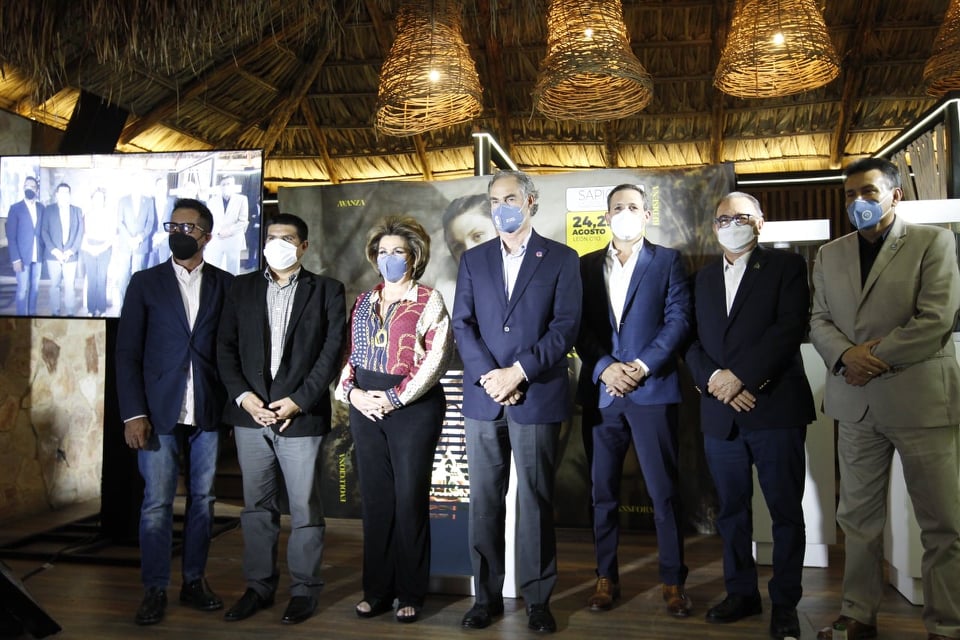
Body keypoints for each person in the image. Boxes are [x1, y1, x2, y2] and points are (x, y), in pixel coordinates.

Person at [810, 157, 960, 640]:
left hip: (921, 403)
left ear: (895, 195)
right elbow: (819, 320)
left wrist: (868, 358)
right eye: (850, 194)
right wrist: (845, 356)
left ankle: (947, 623)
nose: (858, 201)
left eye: (869, 192)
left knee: (942, 521)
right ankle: (858, 614)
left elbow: (936, 318)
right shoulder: (829, 254)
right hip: (855, 406)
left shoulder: (933, 242)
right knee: (857, 519)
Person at [451, 170, 581, 634]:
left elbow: (565, 327)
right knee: (484, 502)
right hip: (483, 398)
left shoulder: (562, 259)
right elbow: (463, 324)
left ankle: (538, 600)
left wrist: (518, 372)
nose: (501, 207)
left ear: (530, 202)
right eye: (494, 200)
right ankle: (484, 598)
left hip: (536, 395)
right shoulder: (474, 260)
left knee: (535, 501)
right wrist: (492, 377)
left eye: (509, 198)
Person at [685, 192, 815, 640]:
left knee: (784, 511)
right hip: (720, 415)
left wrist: (741, 378)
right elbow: (690, 341)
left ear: (761, 222)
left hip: (774, 407)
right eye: (723, 218)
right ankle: (741, 593)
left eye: (741, 217)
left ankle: (785, 603)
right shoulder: (700, 279)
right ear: (713, 226)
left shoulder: (786, 267)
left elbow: (790, 327)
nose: (732, 224)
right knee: (731, 511)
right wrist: (715, 381)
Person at [217, 213, 346, 625]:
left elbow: (331, 353)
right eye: (271, 237)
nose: (277, 244)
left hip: (300, 418)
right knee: (256, 508)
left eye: (287, 238)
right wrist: (245, 399)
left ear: (303, 246)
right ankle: (258, 586)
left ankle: (304, 589)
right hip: (250, 417)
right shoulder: (241, 288)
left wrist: (299, 402)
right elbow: (225, 348)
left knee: (304, 508)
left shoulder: (327, 290)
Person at [575, 184, 693, 617]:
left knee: (664, 493)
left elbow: (678, 320)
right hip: (602, 394)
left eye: (633, 207)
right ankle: (605, 577)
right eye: (617, 207)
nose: (625, 213)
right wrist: (606, 367)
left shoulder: (668, 261)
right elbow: (578, 326)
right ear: (606, 217)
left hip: (652, 390)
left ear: (646, 215)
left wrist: (641, 367)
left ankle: (673, 581)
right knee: (602, 493)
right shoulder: (586, 265)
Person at [115, 198, 234, 626]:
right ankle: (154, 588)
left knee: (203, 500)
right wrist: (133, 413)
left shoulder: (226, 284)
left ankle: (194, 581)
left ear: (206, 236)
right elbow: (127, 352)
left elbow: (230, 350)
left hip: (207, 410)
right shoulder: (145, 283)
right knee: (157, 503)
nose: (179, 233)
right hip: (157, 411)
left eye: (188, 228)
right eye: (174, 226)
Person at [335, 215, 453, 624]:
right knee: (376, 501)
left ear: (414, 257)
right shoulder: (363, 301)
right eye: (383, 252)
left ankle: (411, 592)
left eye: (397, 252)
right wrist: (352, 394)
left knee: (409, 500)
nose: (389, 258)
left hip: (413, 409)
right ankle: (377, 591)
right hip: (365, 407)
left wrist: (394, 397)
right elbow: (350, 356)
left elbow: (436, 359)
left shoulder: (429, 300)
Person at [40, 182, 84, 316]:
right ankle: (55, 311)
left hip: (71, 255)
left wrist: (71, 251)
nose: (64, 195)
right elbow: (44, 231)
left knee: (70, 286)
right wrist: (55, 251)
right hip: (53, 255)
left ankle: (70, 312)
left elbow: (80, 232)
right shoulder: (49, 210)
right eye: (62, 192)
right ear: (57, 195)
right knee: (55, 285)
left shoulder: (77, 211)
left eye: (67, 192)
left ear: (70, 195)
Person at [5, 176, 44, 315]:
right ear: (23, 188)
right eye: (27, 186)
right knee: (22, 289)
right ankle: (21, 318)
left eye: (33, 187)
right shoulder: (15, 209)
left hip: (37, 256)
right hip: (22, 257)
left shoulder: (41, 208)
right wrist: (15, 259)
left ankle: (32, 315)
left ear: (37, 190)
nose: (30, 188)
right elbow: (11, 237)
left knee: (35, 289)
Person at [116, 175, 158, 300]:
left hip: (141, 244)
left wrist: (140, 238)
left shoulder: (148, 201)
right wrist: (129, 239)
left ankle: (135, 304)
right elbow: (119, 222)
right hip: (125, 243)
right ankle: (123, 304)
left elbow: (150, 222)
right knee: (123, 276)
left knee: (137, 276)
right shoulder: (123, 200)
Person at [80, 188, 115, 317]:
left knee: (101, 279)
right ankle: (91, 309)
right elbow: (83, 235)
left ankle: (101, 309)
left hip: (104, 249)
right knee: (91, 279)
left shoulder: (109, 215)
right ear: (92, 199)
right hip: (88, 249)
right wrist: (90, 249)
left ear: (104, 200)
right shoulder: (86, 214)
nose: (98, 200)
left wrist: (100, 249)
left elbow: (111, 236)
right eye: (96, 198)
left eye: (101, 198)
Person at [206, 175, 249, 274]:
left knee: (233, 269)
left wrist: (229, 231)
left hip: (234, 239)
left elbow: (243, 221)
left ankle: (234, 284)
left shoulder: (242, 199)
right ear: (220, 186)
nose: (226, 186)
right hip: (217, 238)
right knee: (215, 267)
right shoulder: (212, 201)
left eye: (228, 184)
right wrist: (219, 231)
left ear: (233, 185)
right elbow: (209, 220)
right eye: (223, 184)